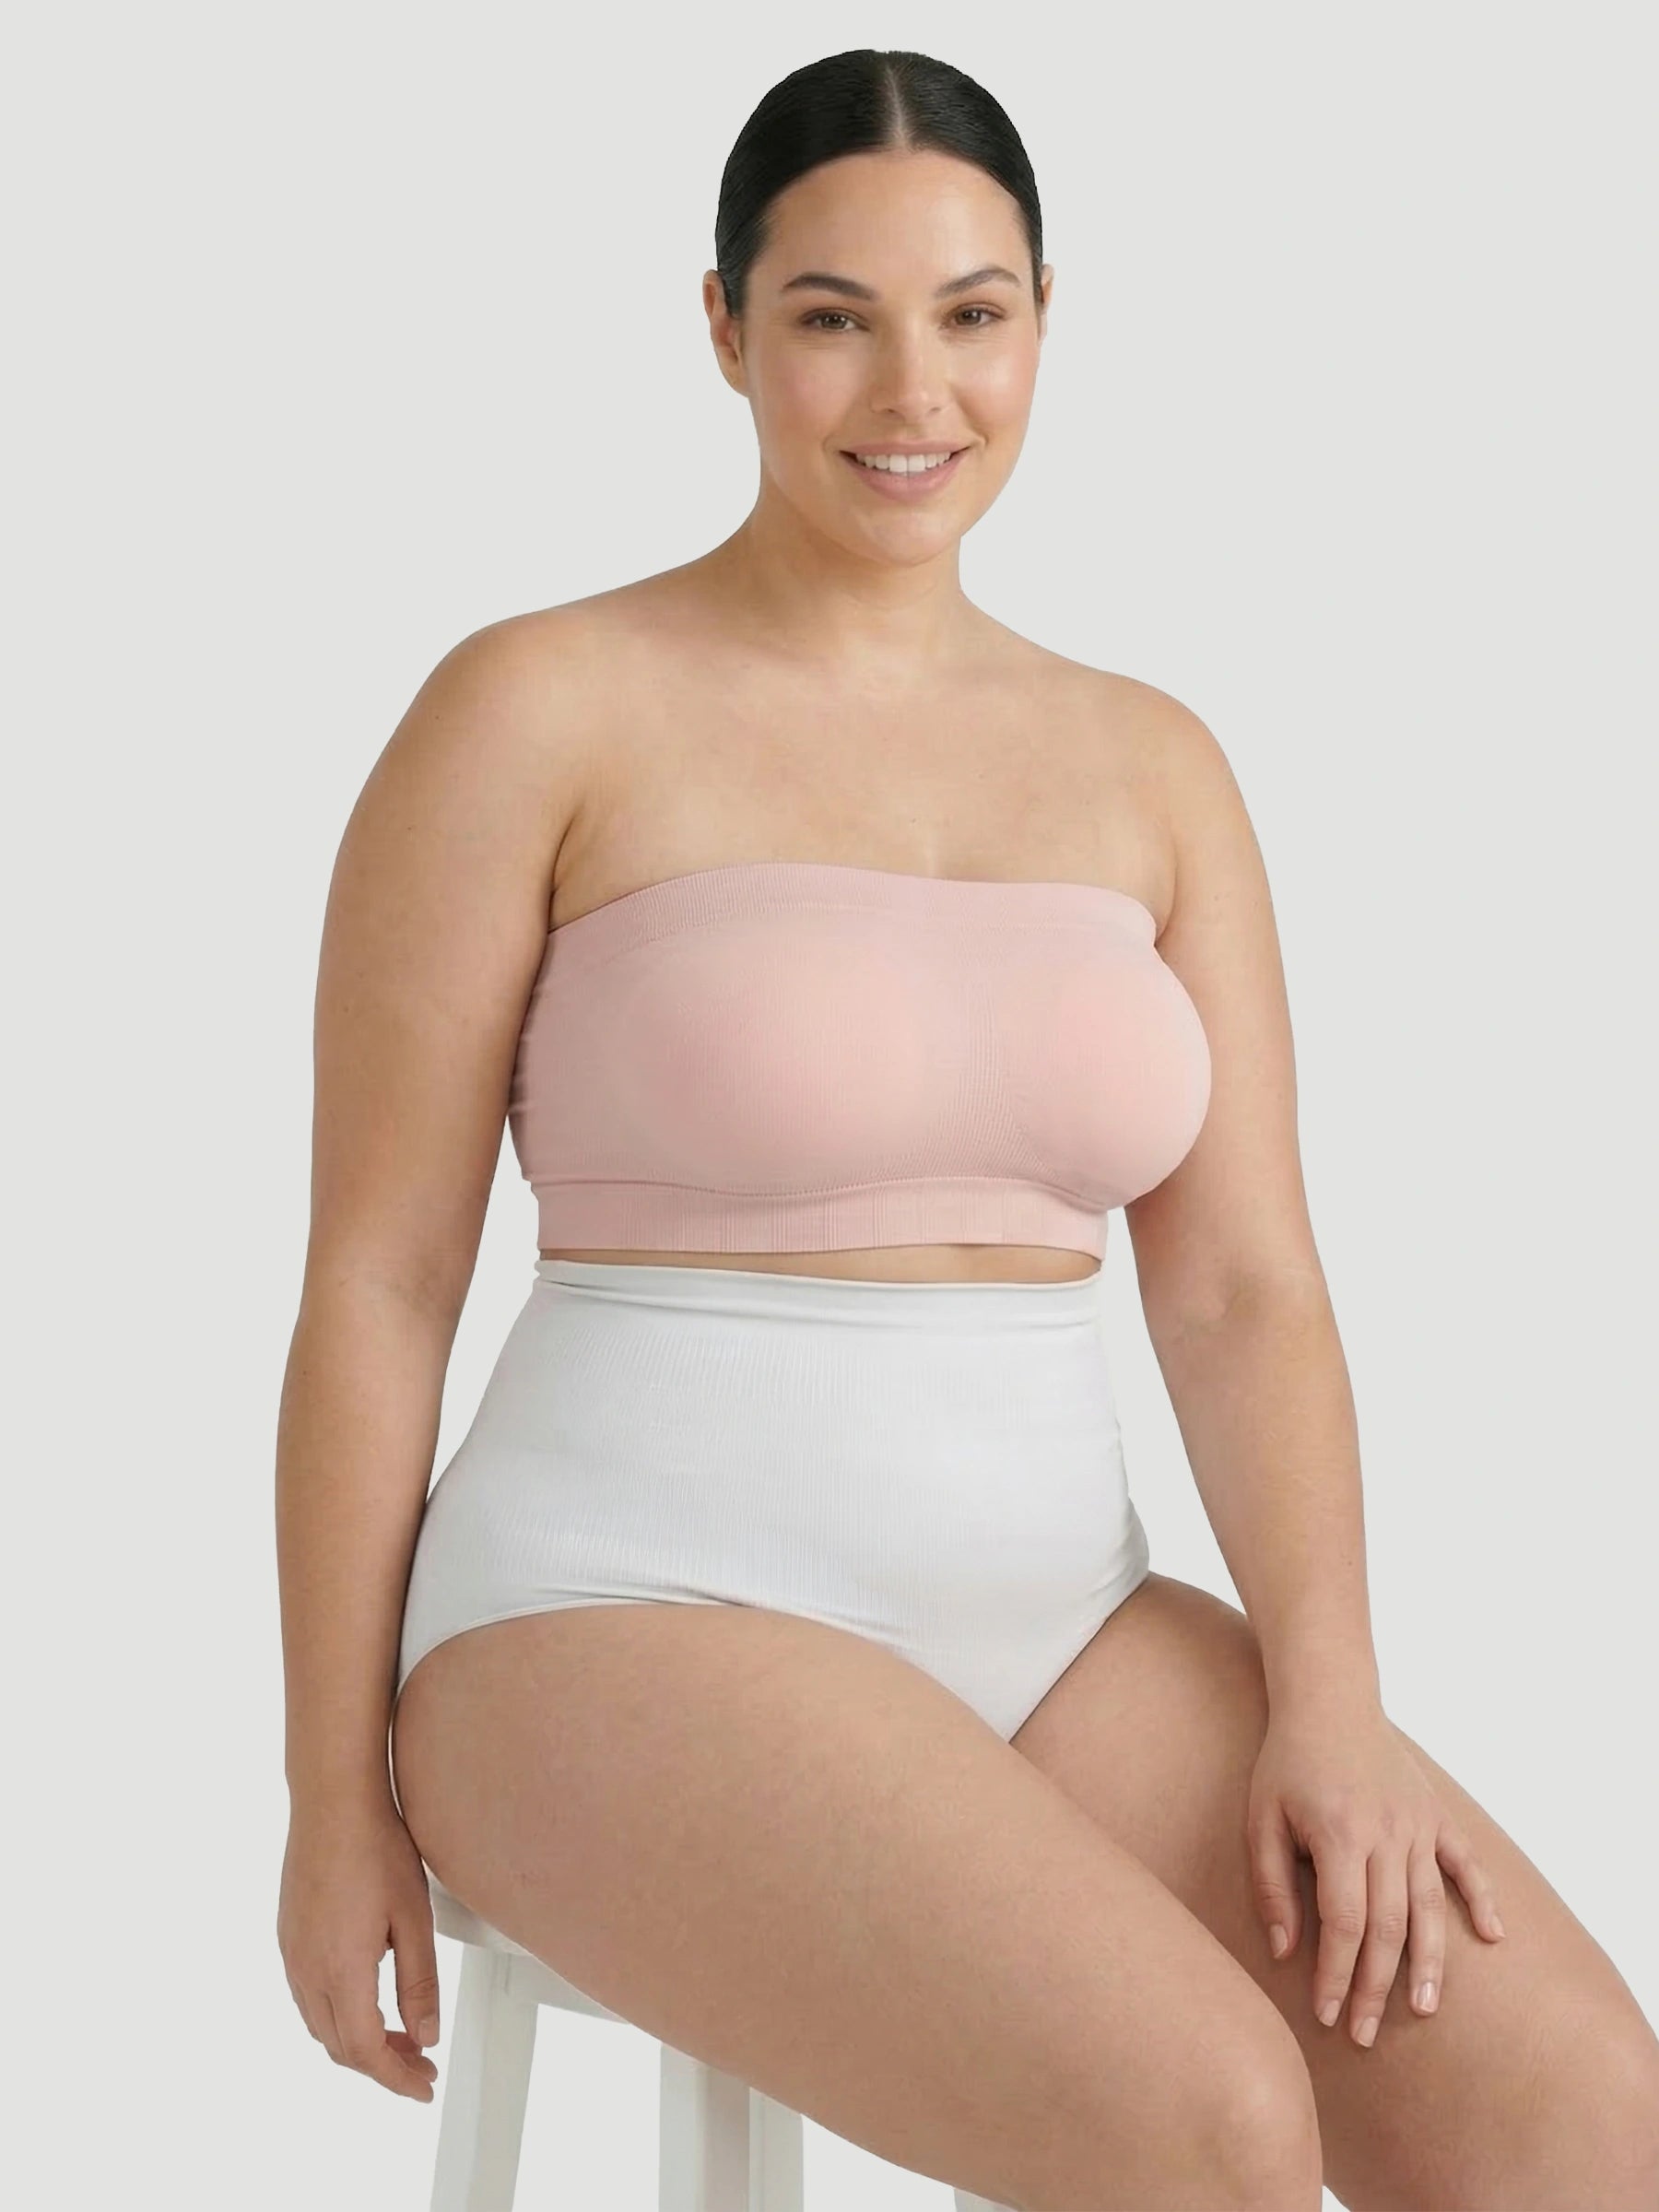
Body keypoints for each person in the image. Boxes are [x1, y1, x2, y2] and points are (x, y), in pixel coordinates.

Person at [275, 46, 1659, 2212]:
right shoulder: (538, 707)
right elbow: (381, 1277)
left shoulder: (1151, 763)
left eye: (973, 314)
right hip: (604, 1618)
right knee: (1203, 2125)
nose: (912, 390)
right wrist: (322, 1792)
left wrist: (1333, 1699)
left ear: (1042, 324)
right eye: (832, 315)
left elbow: (1245, 1285)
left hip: (1058, 1624)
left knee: (1575, 2114)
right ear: (724, 326)